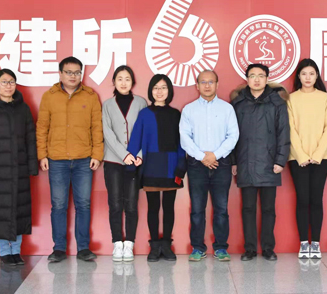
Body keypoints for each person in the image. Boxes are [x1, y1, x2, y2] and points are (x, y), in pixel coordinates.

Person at [36, 56, 104, 263]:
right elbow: (42, 128)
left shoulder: (90, 96)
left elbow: (97, 127)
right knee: (58, 205)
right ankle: (59, 248)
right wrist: (42, 154)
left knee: (83, 204)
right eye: (69, 72)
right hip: (57, 160)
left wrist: (97, 154)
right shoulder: (49, 96)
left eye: (77, 72)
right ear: (60, 74)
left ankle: (83, 248)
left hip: (84, 160)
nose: (73, 76)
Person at [0, 69, 38, 266]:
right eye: (4, 82)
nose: (8, 86)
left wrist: (32, 166)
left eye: (11, 82)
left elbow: (30, 139)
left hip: (20, 169)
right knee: (1, 212)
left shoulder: (23, 109)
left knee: (19, 210)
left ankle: (16, 251)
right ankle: (5, 252)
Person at [230, 63, 290, 261]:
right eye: (252, 76)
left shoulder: (277, 103)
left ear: (267, 79)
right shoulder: (238, 104)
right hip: (245, 162)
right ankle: (249, 249)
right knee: (247, 208)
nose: (256, 79)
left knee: (268, 209)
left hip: (269, 163)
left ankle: (268, 248)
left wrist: (280, 160)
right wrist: (234, 161)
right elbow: (231, 135)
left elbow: (284, 133)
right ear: (247, 79)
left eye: (261, 76)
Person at [180, 70, 239, 262]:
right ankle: (198, 248)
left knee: (221, 208)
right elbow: (185, 137)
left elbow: (233, 136)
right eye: (203, 82)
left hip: (221, 163)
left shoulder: (227, 109)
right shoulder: (189, 109)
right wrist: (202, 157)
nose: (207, 85)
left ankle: (221, 247)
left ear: (217, 84)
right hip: (196, 165)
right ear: (197, 86)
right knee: (197, 209)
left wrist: (215, 155)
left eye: (211, 82)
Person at [126, 74, 186, 262]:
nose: (159, 92)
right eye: (156, 88)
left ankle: (166, 245)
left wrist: (181, 166)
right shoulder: (144, 114)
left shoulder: (176, 114)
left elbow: (182, 143)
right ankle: (154, 246)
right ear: (151, 91)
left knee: (169, 207)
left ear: (169, 91)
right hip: (151, 165)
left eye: (163, 87)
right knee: (153, 207)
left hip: (171, 165)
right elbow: (135, 138)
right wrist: (130, 163)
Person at [287, 59, 327, 259]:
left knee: (316, 199)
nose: (308, 77)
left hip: (321, 158)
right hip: (297, 158)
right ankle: (302, 243)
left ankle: (315, 243)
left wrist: (316, 155)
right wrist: (301, 155)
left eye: (311, 73)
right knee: (302, 199)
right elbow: (290, 129)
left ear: (317, 76)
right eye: (304, 73)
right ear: (298, 76)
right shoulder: (291, 99)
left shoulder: (325, 98)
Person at [102, 65, 147, 262]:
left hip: (135, 161)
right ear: (114, 82)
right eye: (119, 78)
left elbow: (145, 130)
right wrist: (124, 154)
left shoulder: (141, 102)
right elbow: (108, 133)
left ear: (132, 82)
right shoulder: (107, 105)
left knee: (131, 203)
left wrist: (139, 155)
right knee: (114, 203)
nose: (123, 82)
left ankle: (129, 243)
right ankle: (116, 243)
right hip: (113, 161)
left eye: (127, 79)